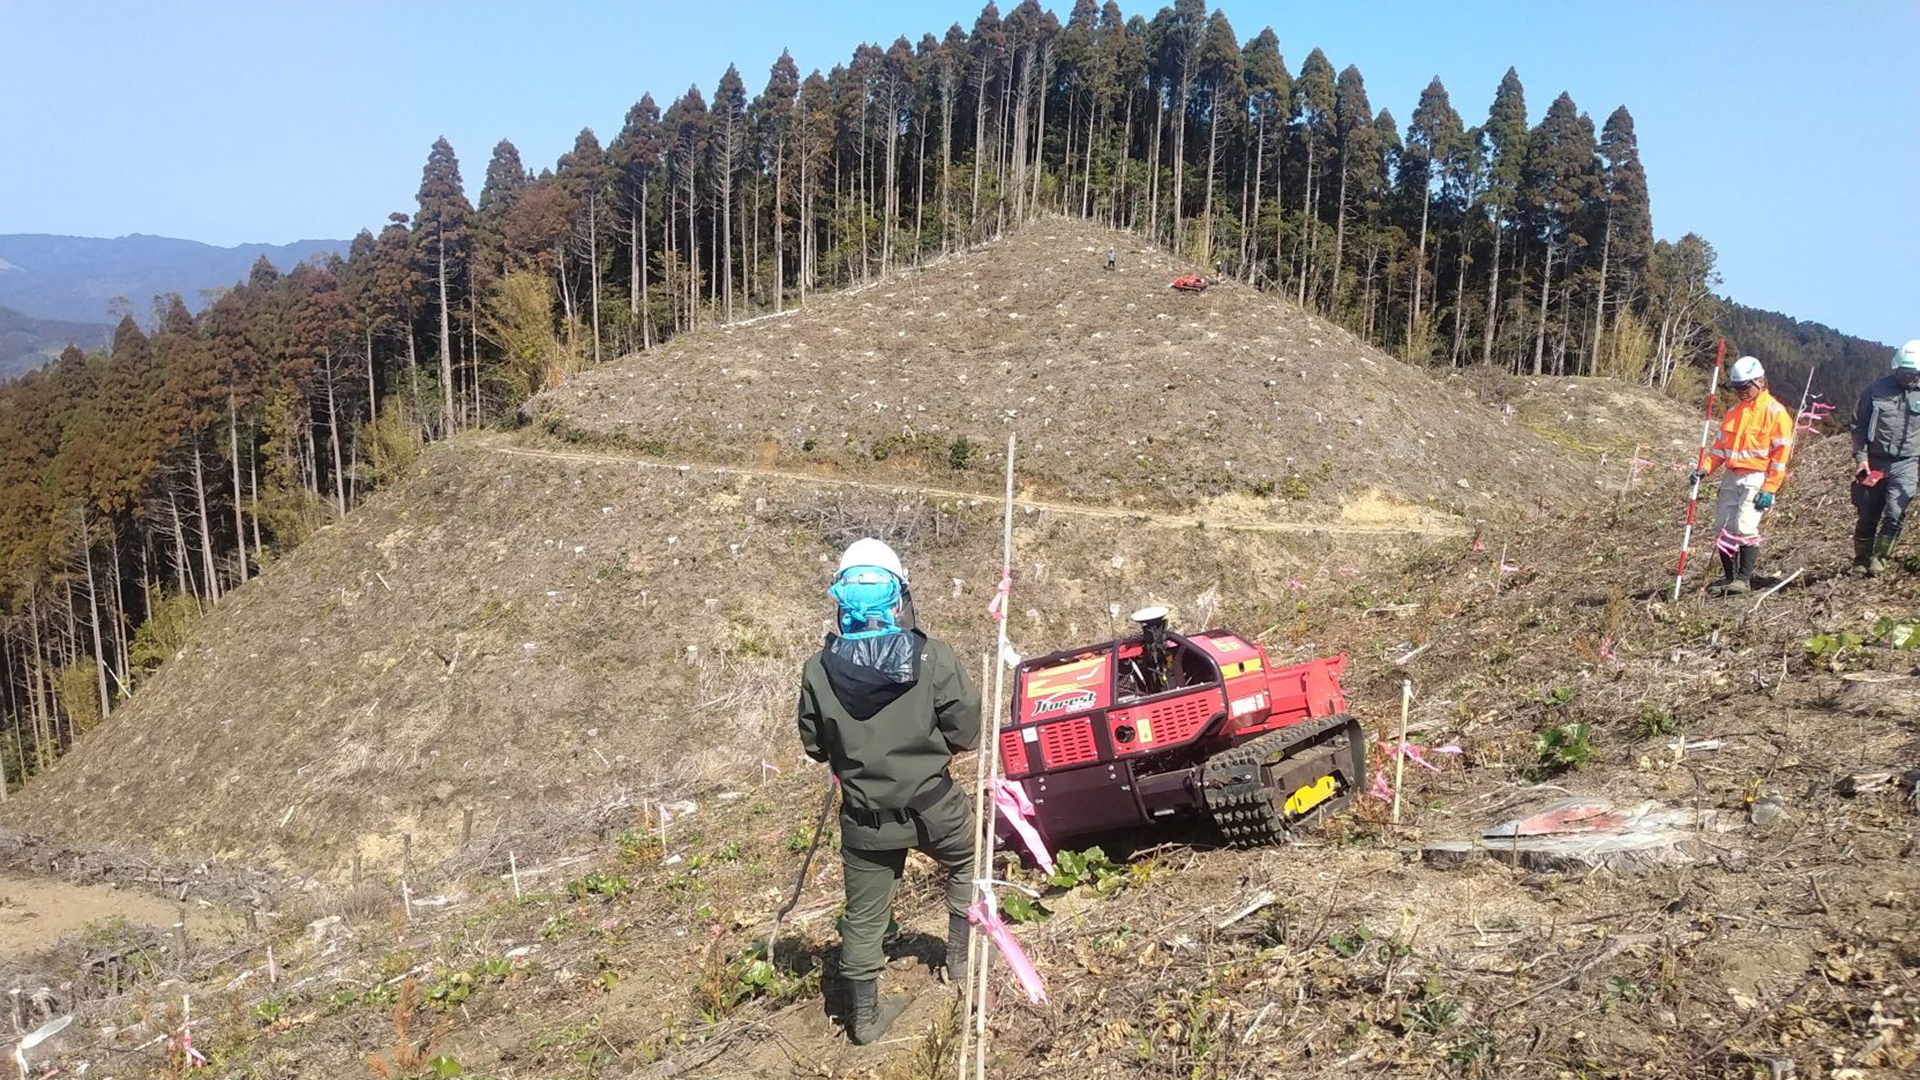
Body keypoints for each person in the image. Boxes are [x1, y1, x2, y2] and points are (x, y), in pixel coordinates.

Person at [796, 537, 980, 1045]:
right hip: (934, 806)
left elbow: (815, 746)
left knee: (864, 916)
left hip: (864, 818)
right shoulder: (933, 657)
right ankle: (960, 962)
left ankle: (866, 1019)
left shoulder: (817, 670)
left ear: (840, 601)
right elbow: (966, 733)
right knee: (969, 860)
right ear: (897, 598)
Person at [1689, 355, 1794, 595]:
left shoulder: (1775, 413)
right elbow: (1719, 449)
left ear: (1760, 381)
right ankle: (1729, 577)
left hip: (1757, 477)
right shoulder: (1733, 412)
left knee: (1745, 526)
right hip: (1731, 476)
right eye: (1737, 388)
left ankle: (1743, 579)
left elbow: (1780, 457)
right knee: (1723, 527)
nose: (1741, 392)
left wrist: (1770, 488)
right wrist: (1705, 468)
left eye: (1745, 387)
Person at [1849, 339, 1920, 576]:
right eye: (1904, 372)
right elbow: (1858, 424)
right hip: (1875, 461)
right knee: (1867, 514)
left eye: (1913, 373)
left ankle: (1879, 559)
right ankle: (1861, 559)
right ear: (1896, 367)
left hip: (1907, 462)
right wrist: (1861, 457)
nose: (1908, 377)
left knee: (1895, 512)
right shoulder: (1875, 390)